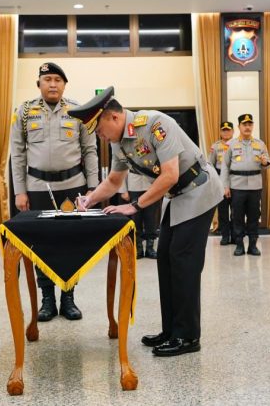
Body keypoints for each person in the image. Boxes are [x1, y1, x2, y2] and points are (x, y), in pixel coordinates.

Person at [71, 86, 223, 357]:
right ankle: (171, 330)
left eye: (100, 130)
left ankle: (188, 337)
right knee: (165, 259)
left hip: (199, 189)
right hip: (178, 197)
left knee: (183, 261)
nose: (100, 137)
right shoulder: (119, 142)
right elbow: (114, 180)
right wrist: (90, 199)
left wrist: (134, 206)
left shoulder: (155, 124)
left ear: (114, 117)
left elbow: (170, 175)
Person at [9, 62, 99, 321]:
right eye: (47, 79)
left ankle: (68, 297)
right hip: (37, 188)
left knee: (72, 242)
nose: (52, 84)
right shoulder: (24, 112)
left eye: (58, 80)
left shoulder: (78, 111)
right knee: (42, 244)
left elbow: (90, 150)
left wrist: (93, 188)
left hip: (73, 187)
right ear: (39, 84)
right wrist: (20, 191)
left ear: (64, 85)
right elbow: (17, 153)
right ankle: (47, 298)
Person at [220, 114, 270, 256]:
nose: (247, 127)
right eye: (244, 124)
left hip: (255, 186)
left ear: (252, 126)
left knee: (254, 216)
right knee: (237, 216)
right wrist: (225, 186)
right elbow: (225, 166)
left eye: (250, 124)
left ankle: (253, 245)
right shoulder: (231, 144)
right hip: (237, 186)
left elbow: (267, 163)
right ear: (239, 127)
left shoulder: (260, 144)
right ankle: (239, 245)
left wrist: (264, 162)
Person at [119, 170, 159, 258]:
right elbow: (122, 168)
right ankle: (138, 248)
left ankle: (150, 248)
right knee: (136, 219)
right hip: (134, 185)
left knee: (151, 218)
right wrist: (123, 190)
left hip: (152, 185)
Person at [209, 121, 234, 245]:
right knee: (223, 211)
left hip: (235, 180)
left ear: (233, 131)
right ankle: (225, 236)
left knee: (236, 211)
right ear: (220, 132)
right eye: (224, 130)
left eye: (228, 130)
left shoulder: (236, 144)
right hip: (220, 181)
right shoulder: (215, 146)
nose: (226, 132)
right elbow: (210, 165)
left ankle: (235, 236)